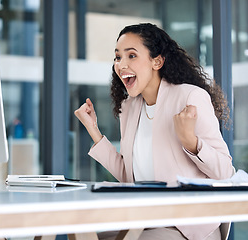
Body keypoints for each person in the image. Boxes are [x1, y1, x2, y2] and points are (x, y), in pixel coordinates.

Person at [74, 23, 235, 240]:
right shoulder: (129, 108)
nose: (121, 64)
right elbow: (128, 176)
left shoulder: (190, 97)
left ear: (157, 61)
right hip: (144, 218)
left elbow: (226, 173)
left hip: (186, 225)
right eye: (118, 57)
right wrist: (93, 129)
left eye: (132, 55)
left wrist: (191, 142)